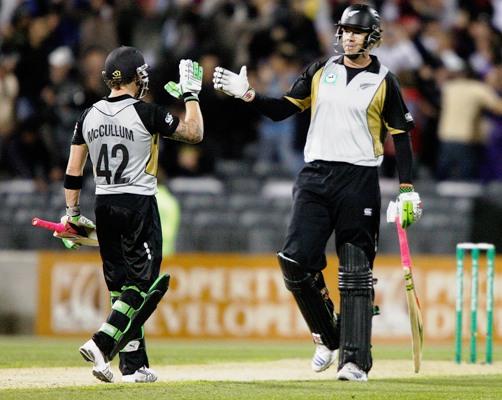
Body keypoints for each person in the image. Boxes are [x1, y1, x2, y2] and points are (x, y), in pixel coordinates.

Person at [213, 3, 422, 381]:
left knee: (356, 273)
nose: (348, 37)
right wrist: (248, 95)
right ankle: (328, 334)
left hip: (359, 179)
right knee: (294, 260)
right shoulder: (319, 70)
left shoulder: (384, 80)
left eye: (356, 32)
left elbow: (401, 138)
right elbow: (282, 110)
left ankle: (355, 362)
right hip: (315, 174)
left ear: (372, 38)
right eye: (344, 30)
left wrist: (406, 188)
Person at [62, 46, 203, 383]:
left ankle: (133, 366)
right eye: (141, 73)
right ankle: (102, 343)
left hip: (104, 203)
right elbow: (194, 133)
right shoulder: (146, 112)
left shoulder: (89, 115)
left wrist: (72, 214)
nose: (145, 79)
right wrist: (191, 95)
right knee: (142, 285)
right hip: (137, 203)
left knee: (119, 289)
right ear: (132, 77)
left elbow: (72, 171)